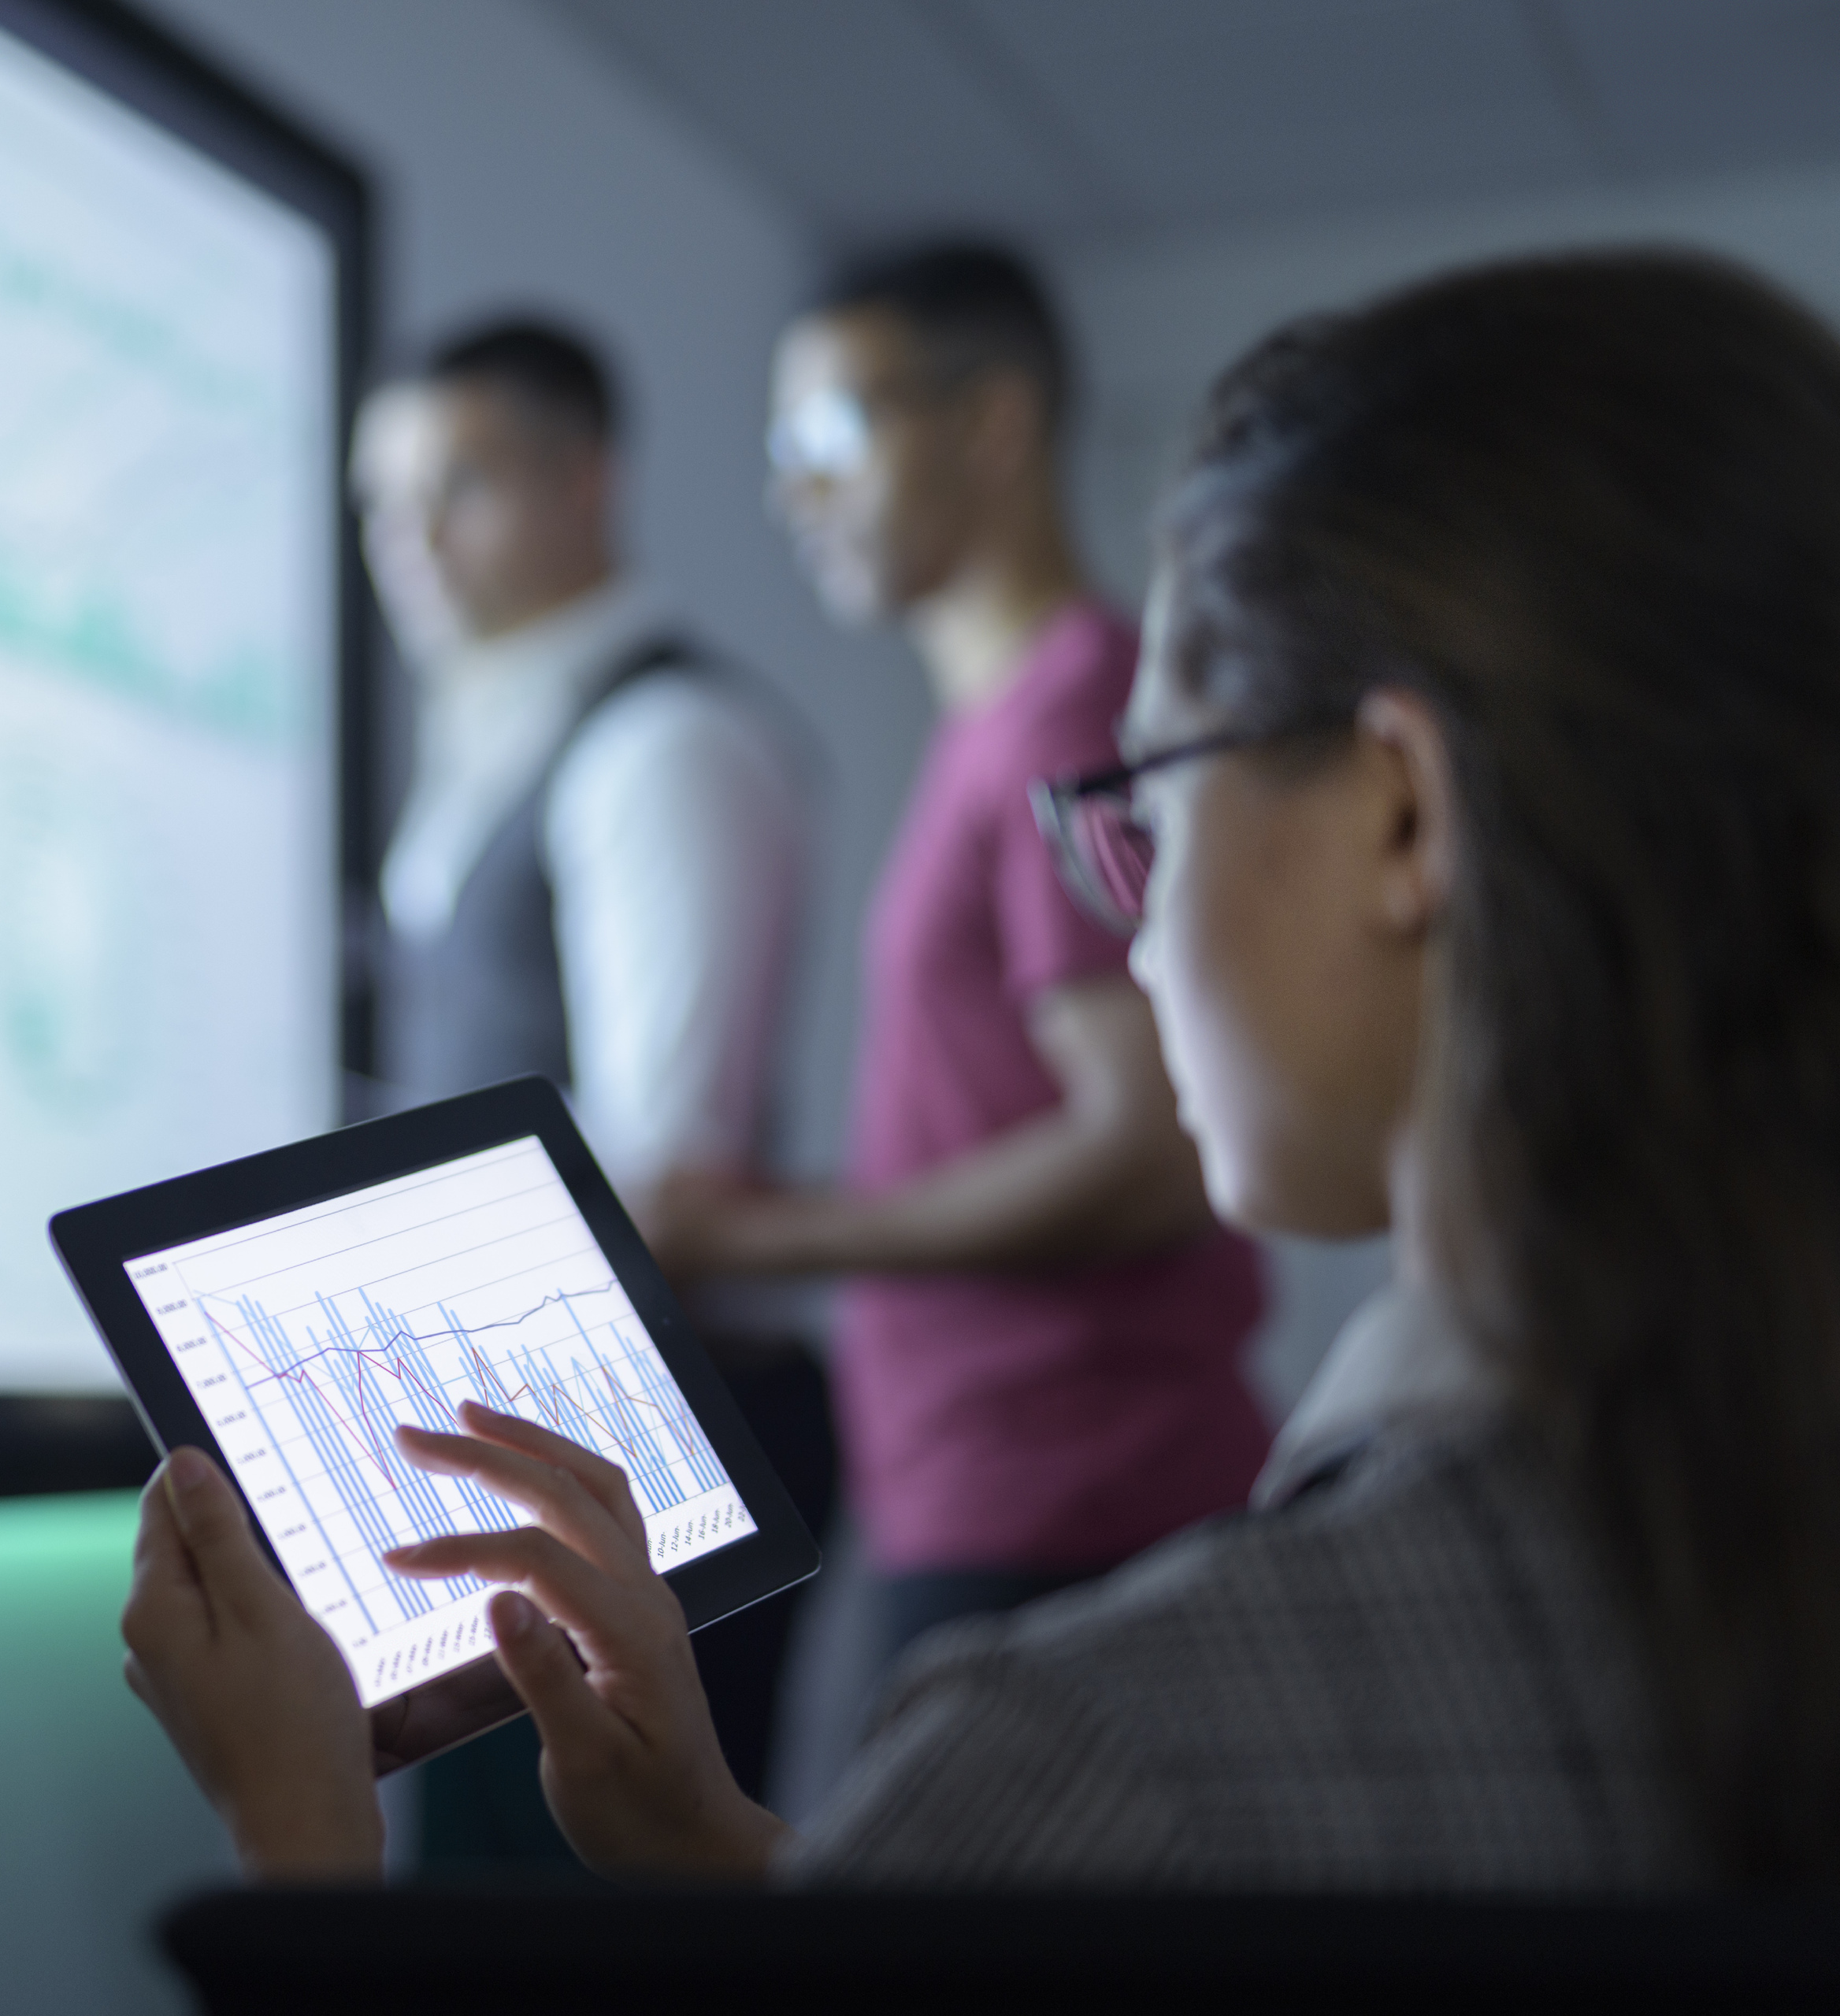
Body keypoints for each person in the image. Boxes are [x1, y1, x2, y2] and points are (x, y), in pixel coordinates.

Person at [120, 249, 1840, 1888]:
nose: (1141, 926)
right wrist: (719, 1842)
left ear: (1400, 813)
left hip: (1037, 1466)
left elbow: (1063, 1870)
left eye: (1150, 800)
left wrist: (301, 1835)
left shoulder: (1097, 1744)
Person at [640, 243, 1267, 1681]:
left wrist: (756, 1235)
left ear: (992, 423)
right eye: (778, 450)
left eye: (833, 438)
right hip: (988, 1484)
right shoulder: (1003, 723)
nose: (793, 494)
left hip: (1070, 1493)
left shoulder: (1069, 719)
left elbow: (1152, 1150)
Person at [347, 319, 822, 1854]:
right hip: (533, 1450)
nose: (409, 538)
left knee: (573, 1927)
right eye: (379, 500)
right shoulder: (499, 737)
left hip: (637, 1459)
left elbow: (664, 1171)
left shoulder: (664, 741)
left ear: (586, 482)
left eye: (461, 484)